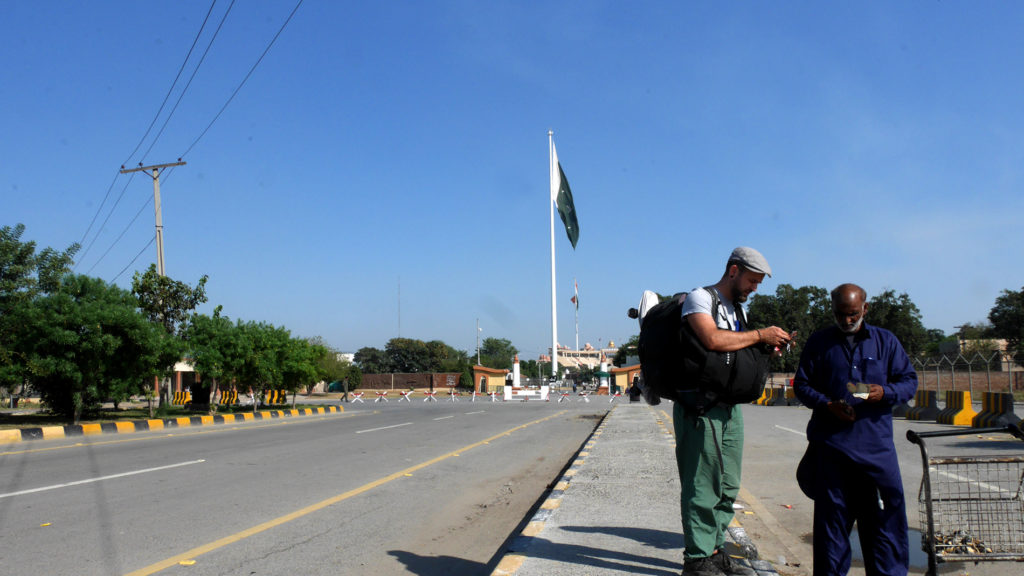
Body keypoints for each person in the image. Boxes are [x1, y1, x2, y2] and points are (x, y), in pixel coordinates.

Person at [677, 247, 793, 576]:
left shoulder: (735, 310)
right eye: (751, 281)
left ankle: (714, 551)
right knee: (702, 484)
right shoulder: (701, 299)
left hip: (728, 408)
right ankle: (697, 560)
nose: (754, 288)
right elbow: (712, 340)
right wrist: (759, 334)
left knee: (727, 485)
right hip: (702, 406)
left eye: (758, 283)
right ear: (733, 271)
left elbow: (737, 351)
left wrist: (767, 347)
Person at [793, 283, 918, 576]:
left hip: (876, 456)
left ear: (865, 308)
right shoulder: (820, 342)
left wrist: (883, 392)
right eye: (840, 314)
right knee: (831, 535)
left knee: (885, 532)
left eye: (852, 314)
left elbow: (909, 381)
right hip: (832, 453)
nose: (846, 321)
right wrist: (826, 405)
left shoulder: (885, 342)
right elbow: (802, 384)